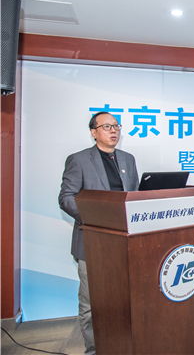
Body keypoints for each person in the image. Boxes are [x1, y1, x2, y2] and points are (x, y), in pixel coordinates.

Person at [58, 112, 139, 355]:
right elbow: (66, 198)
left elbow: (134, 196)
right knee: (92, 304)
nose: (113, 130)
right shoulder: (79, 160)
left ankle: (121, 346)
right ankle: (94, 350)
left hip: (124, 243)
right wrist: (95, 217)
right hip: (92, 242)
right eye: (106, 126)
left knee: (122, 301)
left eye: (116, 126)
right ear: (94, 132)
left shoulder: (128, 159)